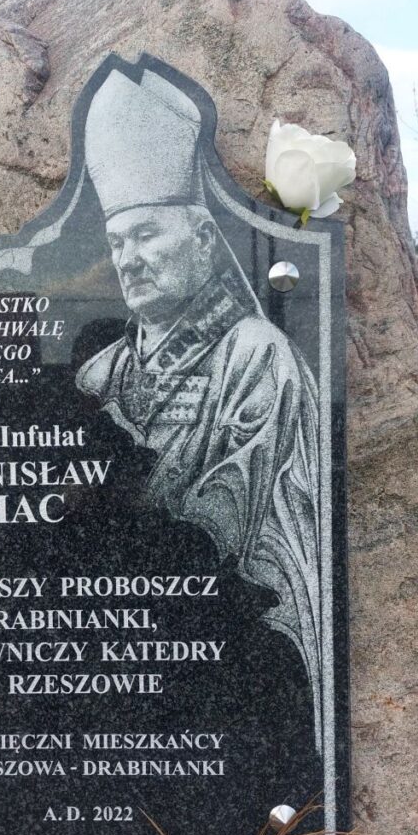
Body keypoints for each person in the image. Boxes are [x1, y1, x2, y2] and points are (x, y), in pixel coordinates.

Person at [75, 67, 323, 749]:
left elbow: (231, 531)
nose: (131, 260)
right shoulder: (100, 373)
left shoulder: (255, 356)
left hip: (215, 658)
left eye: (149, 236)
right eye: (119, 243)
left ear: (205, 241)